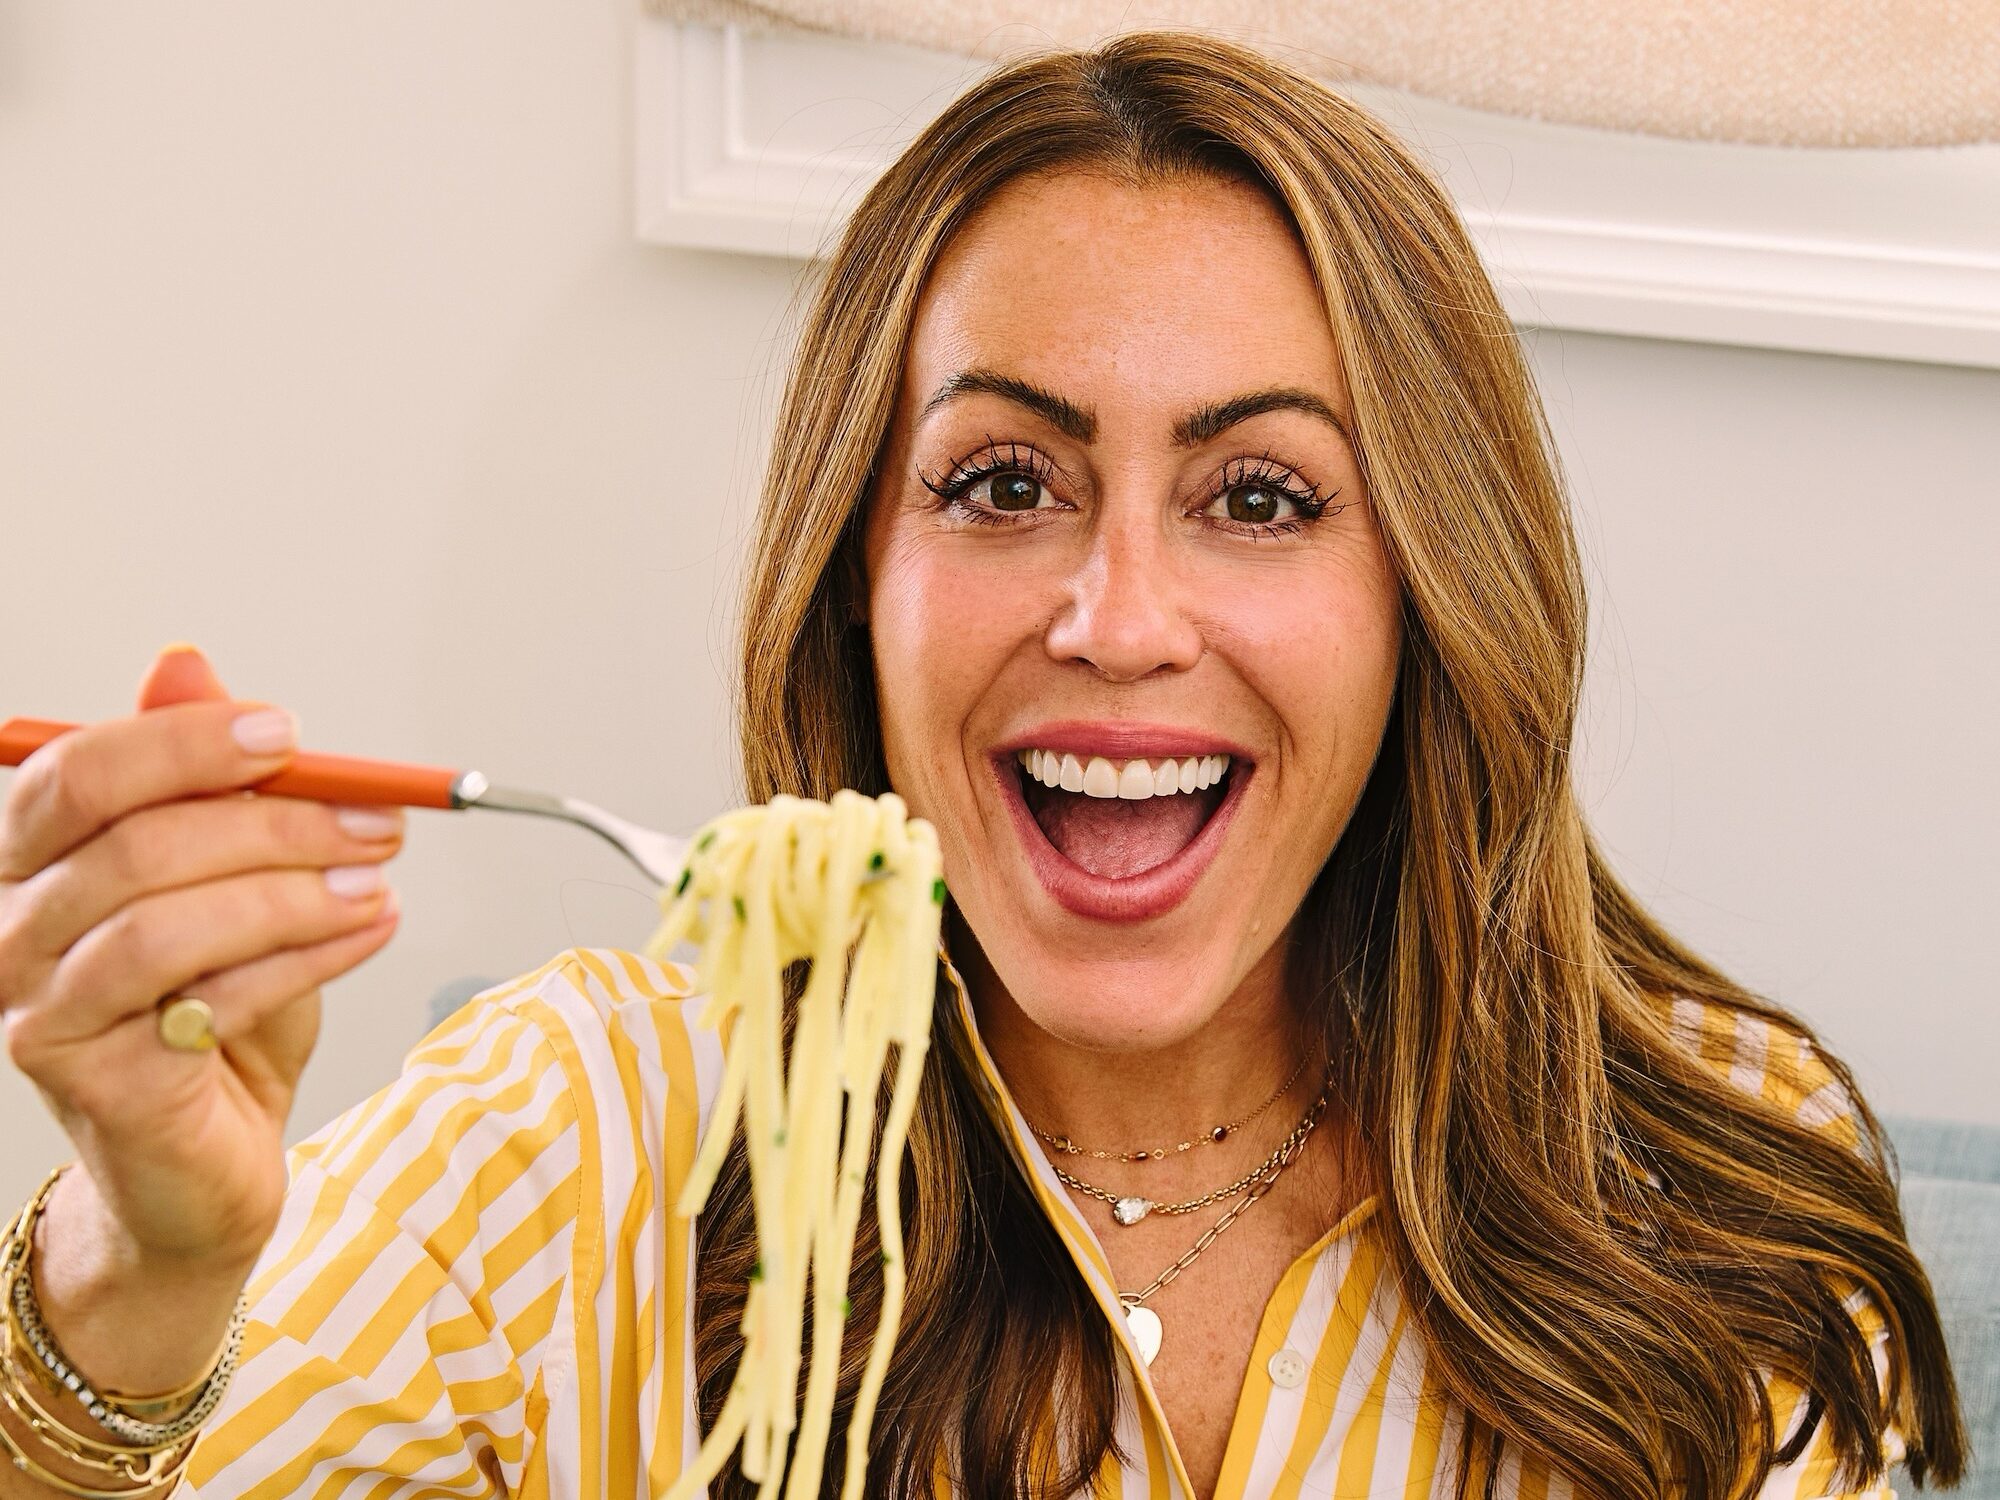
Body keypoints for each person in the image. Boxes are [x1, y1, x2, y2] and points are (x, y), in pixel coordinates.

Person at [0, 29, 1966, 1500]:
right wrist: (135, 1270)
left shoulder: (1714, 1192)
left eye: (1260, 496)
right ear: (860, 579)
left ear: (1426, 596)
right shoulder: (573, 1135)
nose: (1117, 615)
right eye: (1002, 484)